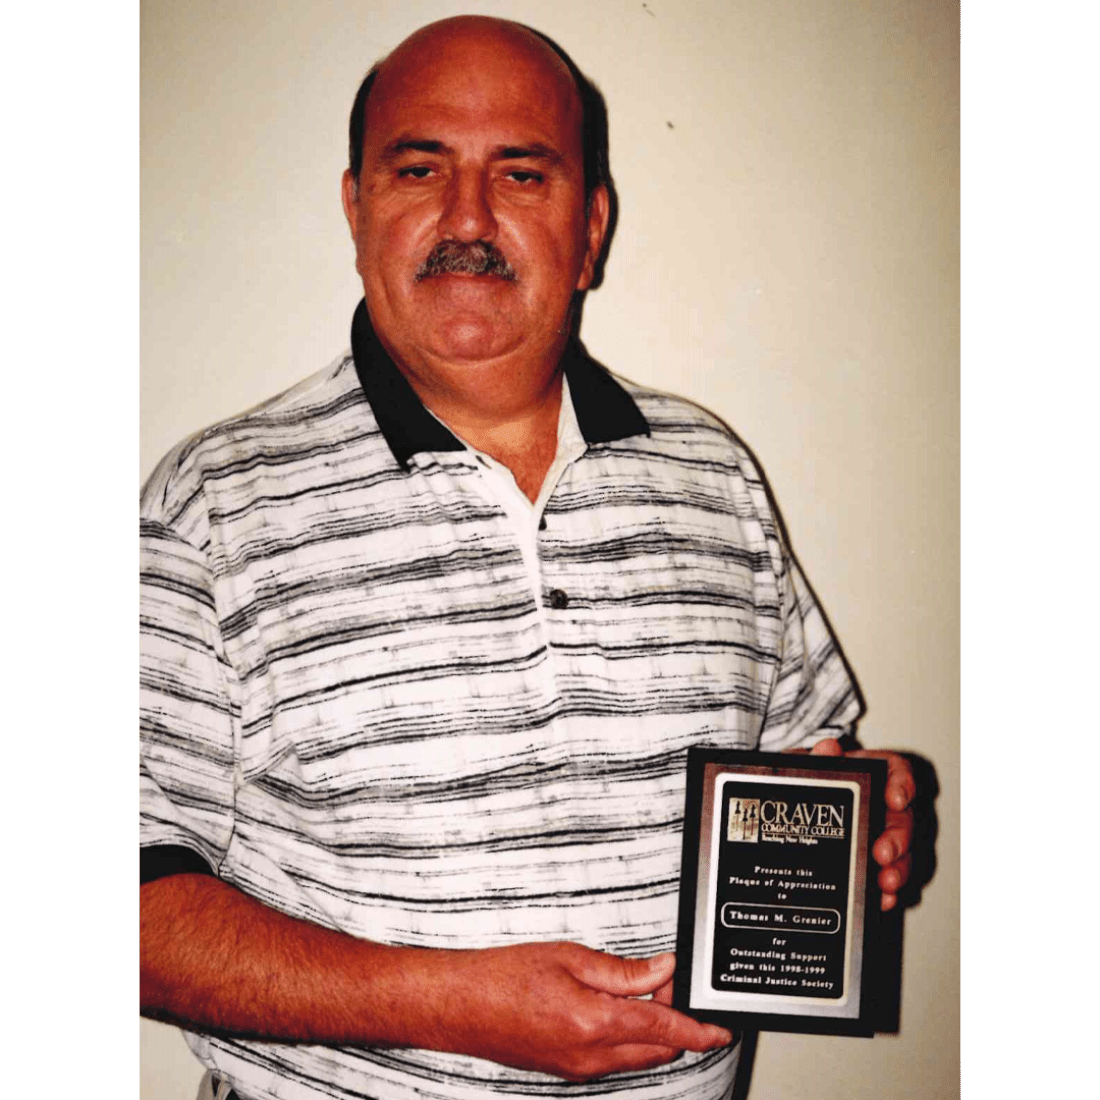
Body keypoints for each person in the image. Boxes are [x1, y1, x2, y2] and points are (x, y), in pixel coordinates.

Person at [139, 15, 915, 1100]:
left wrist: (858, 816)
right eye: (420, 168)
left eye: (520, 172)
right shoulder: (211, 503)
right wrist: (443, 1000)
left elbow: (805, 765)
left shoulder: (713, 475)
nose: (467, 218)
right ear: (356, 206)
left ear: (588, 226)